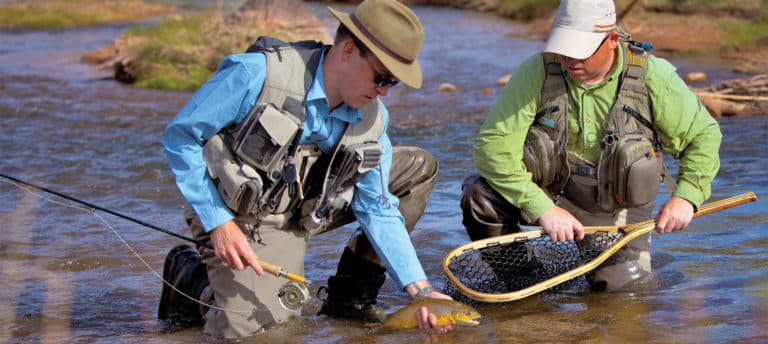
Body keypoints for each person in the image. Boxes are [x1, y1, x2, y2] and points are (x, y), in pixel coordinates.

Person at [157, 0, 453, 339]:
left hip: (311, 208)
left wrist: (421, 290)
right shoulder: (255, 74)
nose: (384, 91)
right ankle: (196, 281)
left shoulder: (374, 118)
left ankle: (349, 299)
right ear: (348, 51)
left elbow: (378, 209)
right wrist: (218, 223)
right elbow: (181, 137)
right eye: (382, 77)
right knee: (270, 334)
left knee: (415, 168)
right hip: (239, 214)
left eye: (393, 83)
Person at [461, 0, 721, 292]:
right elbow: (491, 147)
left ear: (611, 40)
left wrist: (686, 196)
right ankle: (526, 285)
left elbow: (704, 136)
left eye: (580, 51)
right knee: (479, 195)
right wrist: (542, 208)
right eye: (564, 49)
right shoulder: (538, 71)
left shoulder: (652, 76)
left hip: (616, 209)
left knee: (620, 296)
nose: (570, 60)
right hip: (551, 191)